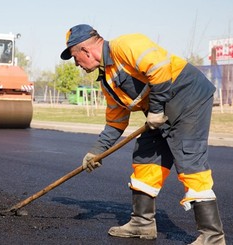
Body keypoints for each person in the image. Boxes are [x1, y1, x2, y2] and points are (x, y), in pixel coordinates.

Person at [60, 24, 225, 244]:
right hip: (160, 110)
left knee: (189, 159)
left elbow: (159, 68)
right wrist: (96, 151)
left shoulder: (125, 45)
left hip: (188, 97)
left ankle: (213, 236)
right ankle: (142, 223)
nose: (77, 64)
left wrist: (156, 109)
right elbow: (116, 122)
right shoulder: (108, 80)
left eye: (75, 57)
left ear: (86, 51)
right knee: (146, 156)